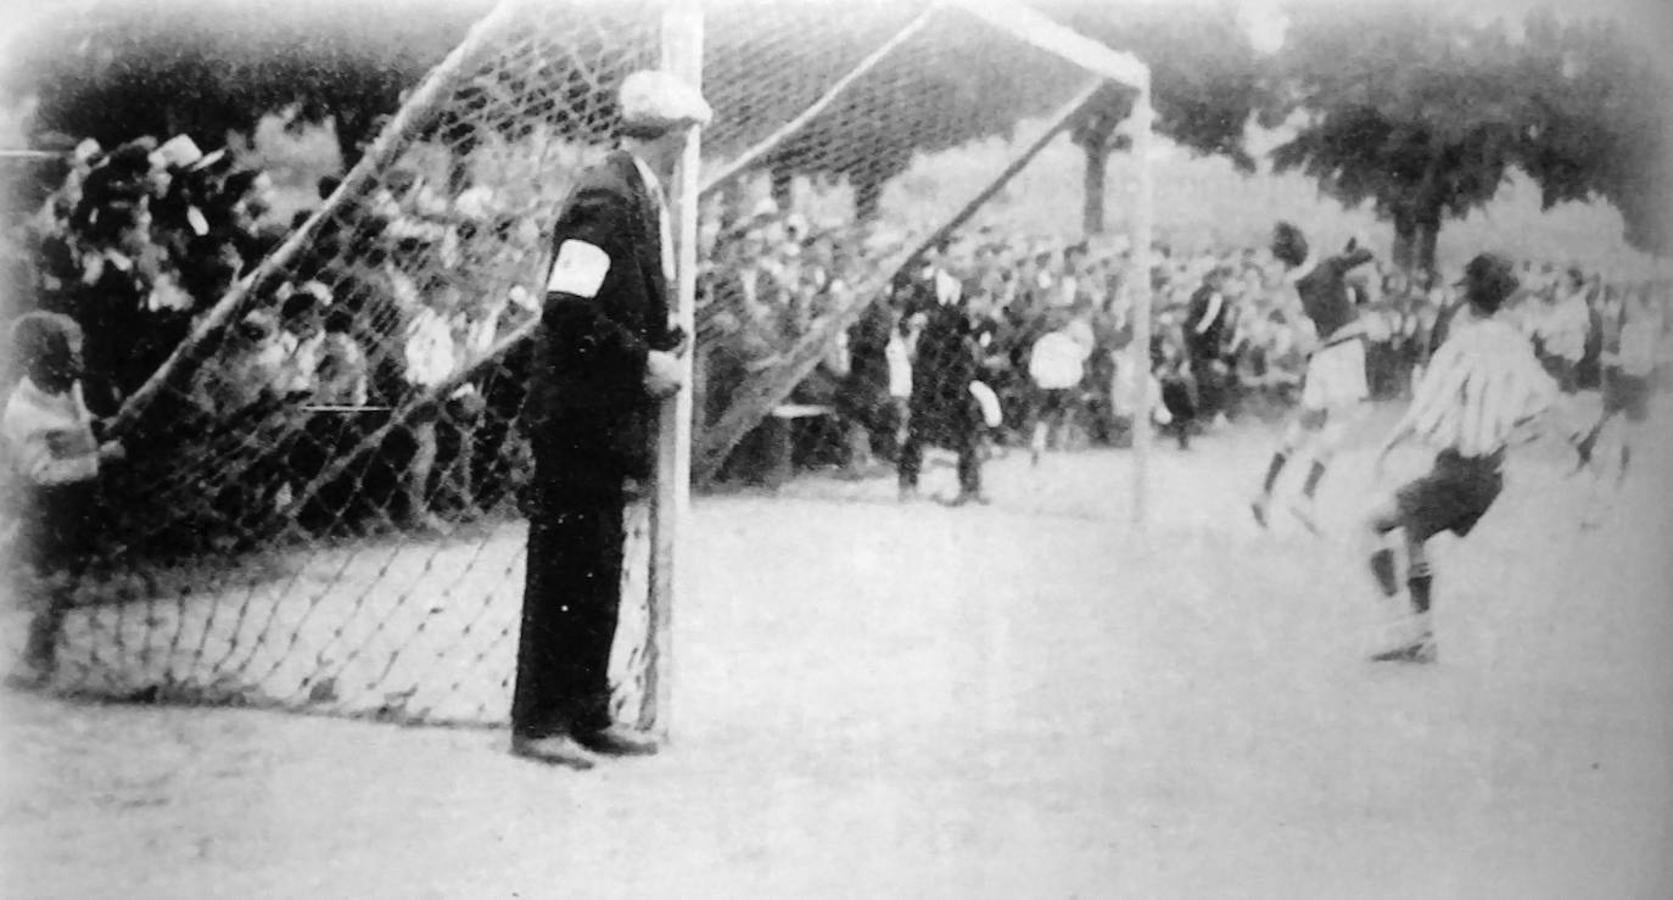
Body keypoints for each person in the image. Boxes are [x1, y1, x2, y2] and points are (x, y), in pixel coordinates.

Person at [512, 69, 708, 769]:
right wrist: (640, 363)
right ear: (678, 137)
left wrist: (662, 334)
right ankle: (539, 720)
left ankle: (588, 712)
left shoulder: (635, 193)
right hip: (576, 420)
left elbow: (606, 299)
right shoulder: (606, 195)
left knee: (597, 568)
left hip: (601, 419)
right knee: (566, 572)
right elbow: (565, 309)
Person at [1361, 253, 1577, 663]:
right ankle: (1417, 636)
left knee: (1373, 525)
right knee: (1408, 527)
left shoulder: (1459, 347)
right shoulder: (1516, 344)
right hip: (1489, 475)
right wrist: (1572, 440)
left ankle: (1410, 634)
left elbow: (1426, 406)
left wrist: (1389, 444)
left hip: (1458, 470)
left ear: (1467, 298)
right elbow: (1545, 400)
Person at [2, 312, 125, 685]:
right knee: (49, 579)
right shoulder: (21, 412)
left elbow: (80, 425)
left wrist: (102, 428)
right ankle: (34, 658)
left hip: (79, 502)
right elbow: (42, 473)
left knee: (64, 580)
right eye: (70, 352)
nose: (79, 360)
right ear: (42, 358)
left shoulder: (68, 388)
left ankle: (38, 655)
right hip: (46, 505)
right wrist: (98, 458)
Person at [1251, 222, 1376, 532]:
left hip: (1322, 355)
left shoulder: (1294, 286)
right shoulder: (1328, 267)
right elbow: (1367, 252)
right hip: (1344, 350)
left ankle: (1265, 490)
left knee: (1305, 423)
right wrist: (1355, 242)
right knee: (1340, 423)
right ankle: (1305, 496)